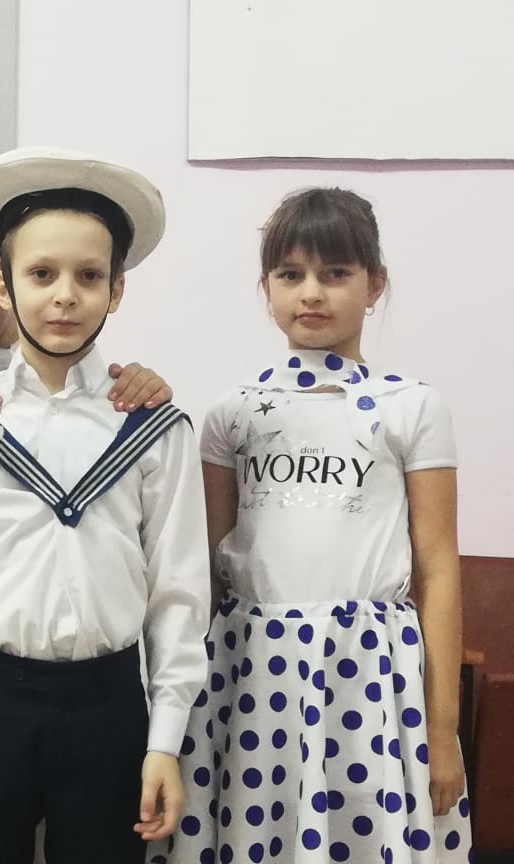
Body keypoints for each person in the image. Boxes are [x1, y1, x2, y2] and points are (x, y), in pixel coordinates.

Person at [0, 147, 211, 864]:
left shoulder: (154, 426)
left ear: (117, 290)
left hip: (110, 702)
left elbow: (178, 592)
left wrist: (165, 741)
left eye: (89, 276)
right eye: (41, 274)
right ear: (5, 287)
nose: (65, 296)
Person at [153, 187, 473, 864]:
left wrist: (441, 730)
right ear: (265, 286)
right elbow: (206, 565)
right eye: (290, 274)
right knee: (257, 833)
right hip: (249, 670)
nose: (312, 293)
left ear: (374, 284)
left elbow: (438, 567)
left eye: (336, 273)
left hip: (369, 671)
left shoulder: (411, 407)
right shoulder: (233, 413)